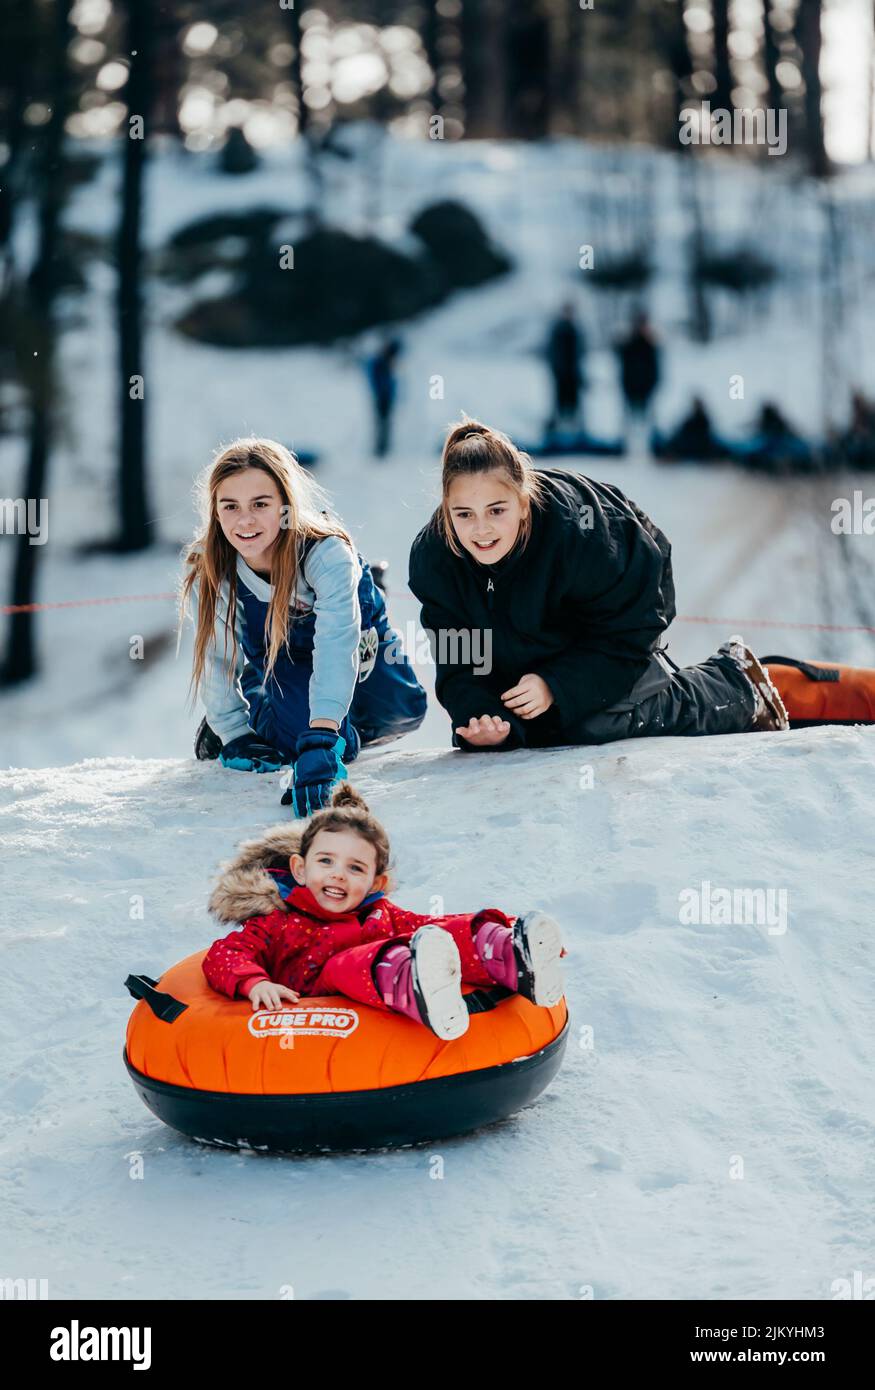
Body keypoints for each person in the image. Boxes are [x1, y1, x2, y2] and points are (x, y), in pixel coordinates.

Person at [408, 419, 789, 753]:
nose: (481, 529)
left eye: (496, 510)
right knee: (532, 731)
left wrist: (555, 685)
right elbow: (459, 658)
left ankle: (734, 685)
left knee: (593, 722)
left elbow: (626, 633)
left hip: (623, 615)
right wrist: (481, 719)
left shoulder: (579, 534)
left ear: (523, 503)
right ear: (446, 511)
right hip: (529, 643)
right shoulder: (435, 561)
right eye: (464, 514)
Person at [179, 437, 426, 815]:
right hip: (282, 659)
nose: (245, 520)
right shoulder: (212, 564)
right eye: (230, 506)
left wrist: (324, 739)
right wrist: (234, 732)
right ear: (215, 510)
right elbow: (217, 656)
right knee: (297, 735)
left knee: (405, 710)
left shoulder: (324, 553)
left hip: (349, 640)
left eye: (260, 504)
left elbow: (335, 644)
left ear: (284, 507)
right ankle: (266, 699)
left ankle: (368, 587)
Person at [203, 785, 566, 1041]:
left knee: (439, 933)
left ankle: (514, 955)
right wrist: (255, 982)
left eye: (356, 868)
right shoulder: (277, 922)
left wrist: (505, 927)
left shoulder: (380, 913)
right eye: (325, 861)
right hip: (318, 1000)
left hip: (377, 986)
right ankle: (417, 984)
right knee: (346, 964)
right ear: (300, 869)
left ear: (376, 883)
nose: (338, 874)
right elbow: (224, 953)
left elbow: (433, 926)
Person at [616, 313, 660, 443]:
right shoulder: (628, 343)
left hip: (646, 388)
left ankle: (648, 445)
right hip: (631, 388)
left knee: (645, 421)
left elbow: (655, 368)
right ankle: (627, 445)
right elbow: (622, 360)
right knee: (631, 421)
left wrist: (653, 384)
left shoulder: (650, 345)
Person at [546, 302, 585, 435]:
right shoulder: (558, 331)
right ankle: (558, 433)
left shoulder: (575, 330)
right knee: (560, 405)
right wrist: (557, 370)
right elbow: (553, 353)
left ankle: (574, 432)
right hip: (561, 375)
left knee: (574, 406)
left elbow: (579, 353)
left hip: (573, 375)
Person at [367, 337, 402, 458]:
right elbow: (380, 382)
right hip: (382, 397)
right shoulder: (380, 363)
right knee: (383, 423)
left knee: (384, 423)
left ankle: (382, 447)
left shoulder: (382, 362)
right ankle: (381, 449)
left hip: (384, 397)